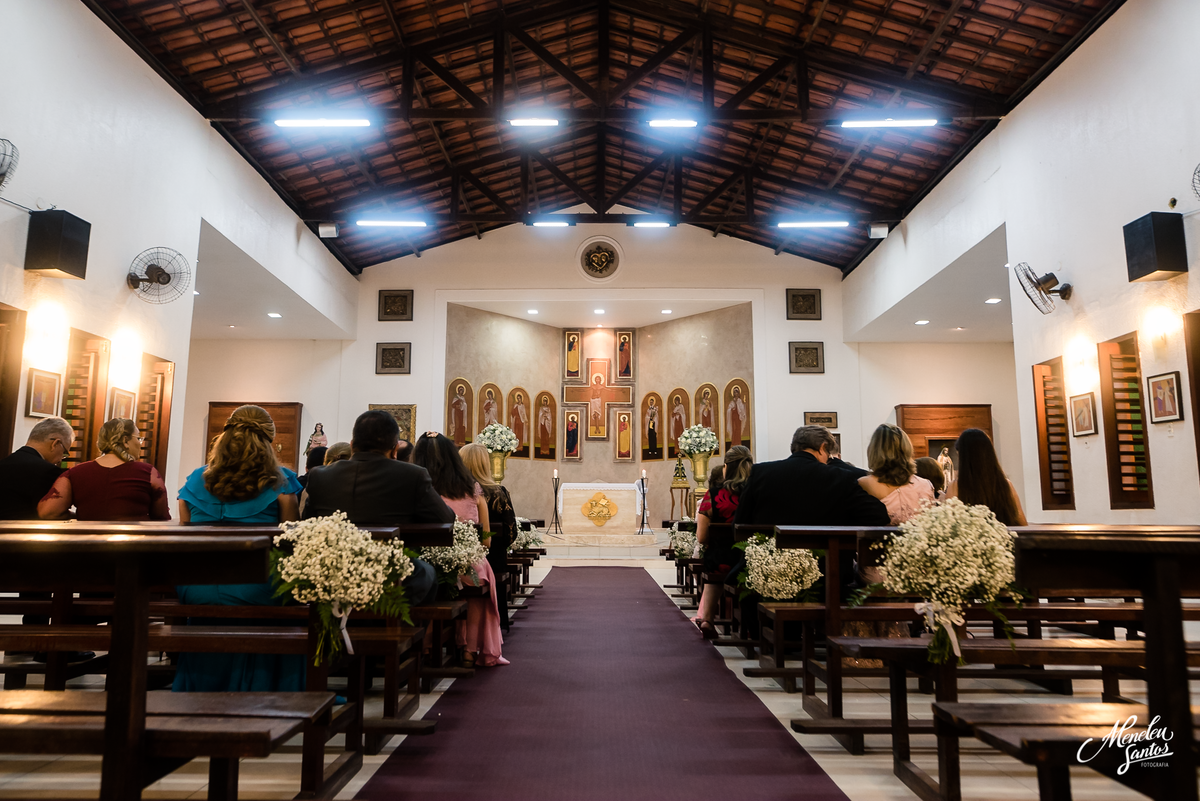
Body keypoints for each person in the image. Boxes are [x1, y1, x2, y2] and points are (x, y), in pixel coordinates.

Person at [173, 404, 305, 692]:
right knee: (290, 590)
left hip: (198, 586)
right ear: (269, 442)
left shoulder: (196, 480)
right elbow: (291, 542)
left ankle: (203, 686)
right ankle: (271, 685)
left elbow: (185, 536)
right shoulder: (282, 482)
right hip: (257, 585)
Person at [732, 426, 889, 635]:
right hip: (825, 574)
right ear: (823, 448)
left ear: (794, 447)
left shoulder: (761, 473)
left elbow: (740, 523)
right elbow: (878, 516)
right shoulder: (840, 478)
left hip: (768, 570)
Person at [303, 410, 451, 606]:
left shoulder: (318, 476)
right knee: (426, 572)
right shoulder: (413, 475)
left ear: (352, 444)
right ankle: (405, 629)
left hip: (331, 573)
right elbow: (446, 521)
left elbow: (306, 524)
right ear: (394, 449)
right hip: (388, 578)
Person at [413, 433, 507, 667]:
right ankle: (469, 649)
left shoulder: (414, 488)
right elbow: (485, 541)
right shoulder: (472, 488)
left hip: (425, 563)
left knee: (431, 586)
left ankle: (426, 646)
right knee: (476, 582)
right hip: (467, 565)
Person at [0, 418, 88, 656]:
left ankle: (26, 639)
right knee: (70, 568)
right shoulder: (47, 471)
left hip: (6, 553)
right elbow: (50, 512)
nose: (63, 457)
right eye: (65, 451)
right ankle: (50, 645)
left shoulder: (4, 463)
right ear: (55, 443)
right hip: (31, 554)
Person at [39, 418, 170, 521]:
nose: (140, 444)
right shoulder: (148, 473)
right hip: (134, 547)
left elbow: (48, 512)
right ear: (125, 440)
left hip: (88, 546)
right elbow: (161, 516)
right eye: (138, 438)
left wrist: (79, 517)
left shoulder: (74, 473)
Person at [692, 446, 753, 638]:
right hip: (752, 558)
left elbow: (701, 537)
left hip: (722, 559)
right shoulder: (756, 492)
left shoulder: (714, 493)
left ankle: (708, 618)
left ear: (726, 467)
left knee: (716, 563)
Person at [460, 442, 518, 633]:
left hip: (462, 558)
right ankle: (497, 624)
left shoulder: (456, 493)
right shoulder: (498, 493)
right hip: (493, 557)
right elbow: (511, 531)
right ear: (486, 464)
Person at [946, 428, 1027, 526]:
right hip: (1003, 539)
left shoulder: (955, 487)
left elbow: (949, 525)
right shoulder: (1005, 485)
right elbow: (1021, 523)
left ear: (964, 458)